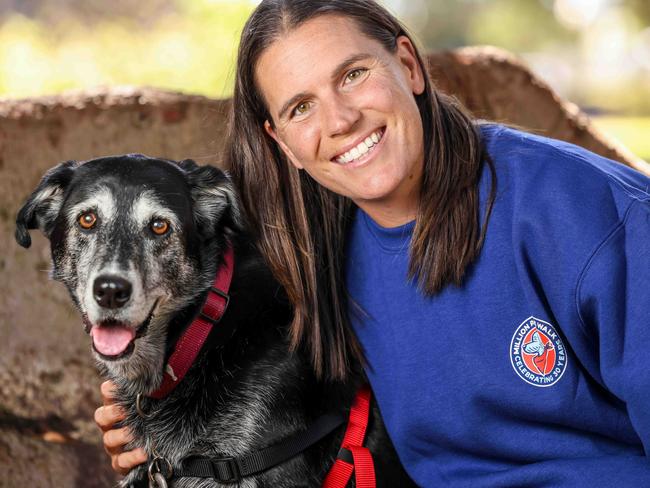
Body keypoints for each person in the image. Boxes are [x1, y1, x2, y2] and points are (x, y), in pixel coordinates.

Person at [95, 0, 650, 485]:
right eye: (300, 107)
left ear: (408, 65)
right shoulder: (314, 254)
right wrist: (154, 423)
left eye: (354, 75)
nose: (340, 120)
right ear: (282, 142)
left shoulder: (592, 215)